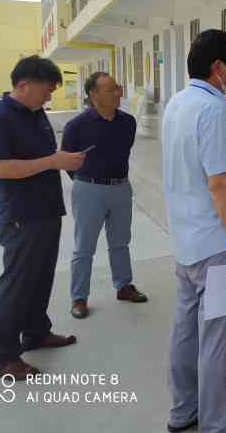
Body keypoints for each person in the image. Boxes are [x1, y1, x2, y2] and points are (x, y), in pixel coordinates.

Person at [162, 29, 226, 433]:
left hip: (187, 242)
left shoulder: (177, 103)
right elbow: (219, 183)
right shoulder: (213, 110)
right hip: (217, 244)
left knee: (186, 333)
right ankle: (218, 426)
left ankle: (184, 411)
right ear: (218, 67)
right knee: (217, 340)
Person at [0, 56, 83, 380]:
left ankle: (36, 332)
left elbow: (45, 157)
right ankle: (4, 358)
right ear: (23, 85)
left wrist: (61, 161)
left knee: (41, 278)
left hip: (47, 210)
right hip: (21, 216)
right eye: (46, 90)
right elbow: (0, 168)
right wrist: (54, 161)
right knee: (17, 285)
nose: (50, 96)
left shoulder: (36, 114)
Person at [61, 72, 146, 320]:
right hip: (88, 190)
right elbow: (67, 160)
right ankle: (79, 297)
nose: (118, 93)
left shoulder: (128, 122)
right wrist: (86, 182)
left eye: (117, 88)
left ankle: (123, 286)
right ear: (93, 94)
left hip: (121, 188)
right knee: (84, 247)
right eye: (111, 90)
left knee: (120, 242)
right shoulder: (76, 126)